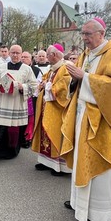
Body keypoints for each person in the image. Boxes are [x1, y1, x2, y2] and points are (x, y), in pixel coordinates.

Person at [61, 18, 111, 221]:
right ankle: (80, 204)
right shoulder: (86, 54)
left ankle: (102, 212)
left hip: (104, 120)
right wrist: (75, 79)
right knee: (81, 158)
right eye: (83, 34)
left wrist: (85, 77)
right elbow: (77, 82)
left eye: (88, 34)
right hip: (82, 115)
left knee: (100, 161)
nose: (84, 38)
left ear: (101, 33)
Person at [0, 44, 38, 159]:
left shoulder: (26, 69)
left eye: (18, 53)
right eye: (13, 52)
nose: (15, 55)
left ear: (21, 54)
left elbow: (34, 86)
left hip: (16, 103)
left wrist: (22, 86)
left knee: (14, 128)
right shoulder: (1, 67)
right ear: (9, 53)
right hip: (3, 102)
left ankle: (11, 150)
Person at [31, 44, 72, 175]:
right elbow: (45, 79)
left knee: (55, 134)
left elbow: (64, 87)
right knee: (46, 134)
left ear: (54, 55)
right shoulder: (53, 69)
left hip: (57, 110)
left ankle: (60, 166)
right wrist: (43, 83)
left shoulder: (65, 68)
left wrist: (47, 86)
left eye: (47, 55)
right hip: (47, 108)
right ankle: (46, 161)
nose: (46, 57)